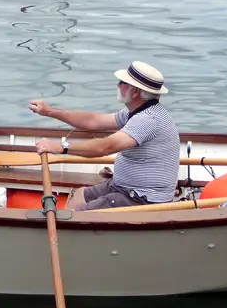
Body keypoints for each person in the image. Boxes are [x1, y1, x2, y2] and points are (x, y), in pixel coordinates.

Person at [31, 61, 179, 211]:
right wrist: (50, 112)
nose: (118, 85)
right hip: (124, 187)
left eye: (122, 83)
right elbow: (93, 121)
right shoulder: (134, 112)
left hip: (142, 198)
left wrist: (61, 147)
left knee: (79, 213)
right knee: (80, 195)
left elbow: (105, 147)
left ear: (135, 92)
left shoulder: (147, 119)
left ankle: (71, 230)